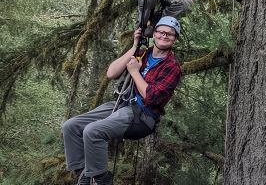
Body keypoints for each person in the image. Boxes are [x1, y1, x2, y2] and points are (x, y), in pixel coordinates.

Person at [62, 16, 182, 185]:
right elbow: (111, 73)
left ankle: (102, 180)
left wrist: (134, 72)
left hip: (142, 116)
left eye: (170, 34)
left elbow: (151, 97)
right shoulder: (142, 54)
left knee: (93, 131)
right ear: (153, 34)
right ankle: (84, 174)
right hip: (122, 104)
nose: (164, 36)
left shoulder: (172, 67)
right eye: (161, 32)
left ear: (174, 40)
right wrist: (134, 46)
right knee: (71, 126)